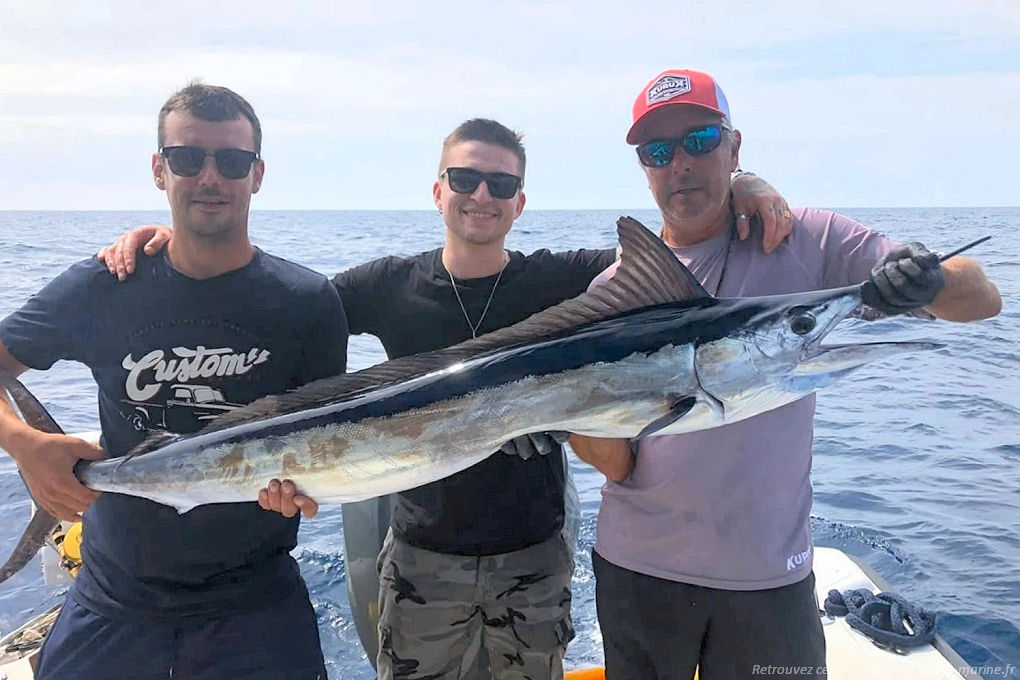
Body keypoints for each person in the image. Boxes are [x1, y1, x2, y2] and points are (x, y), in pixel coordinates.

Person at [99, 119, 793, 679]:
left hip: (534, 553)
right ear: (438, 192)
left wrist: (747, 188)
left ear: (520, 203)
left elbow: (672, 258)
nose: (481, 195)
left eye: (501, 183)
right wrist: (176, 245)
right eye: (465, 178)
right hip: (424, 555)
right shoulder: (384, 283)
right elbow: (277, 313)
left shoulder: (565, 280)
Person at [568, 68, 1003, 680]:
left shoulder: (805, 240)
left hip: (769, 577)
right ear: (644, 167)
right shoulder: (612, 293)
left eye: (700, 141)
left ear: (735, 146)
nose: (680, 164)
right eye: (658, 151)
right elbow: (616, 463)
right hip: (638, 572)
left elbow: (982, 300)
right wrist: (573, 419)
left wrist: (928, 281)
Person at [0, 83, 348, 680]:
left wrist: (307, 489)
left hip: (255, 608)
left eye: (231, 161)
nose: (209, 176)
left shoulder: (308, 303)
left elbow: (316, 443)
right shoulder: (102, 285)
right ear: (160, 170)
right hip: (115, 600)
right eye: (188, 158)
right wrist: (26, 446)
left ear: (257, 175)